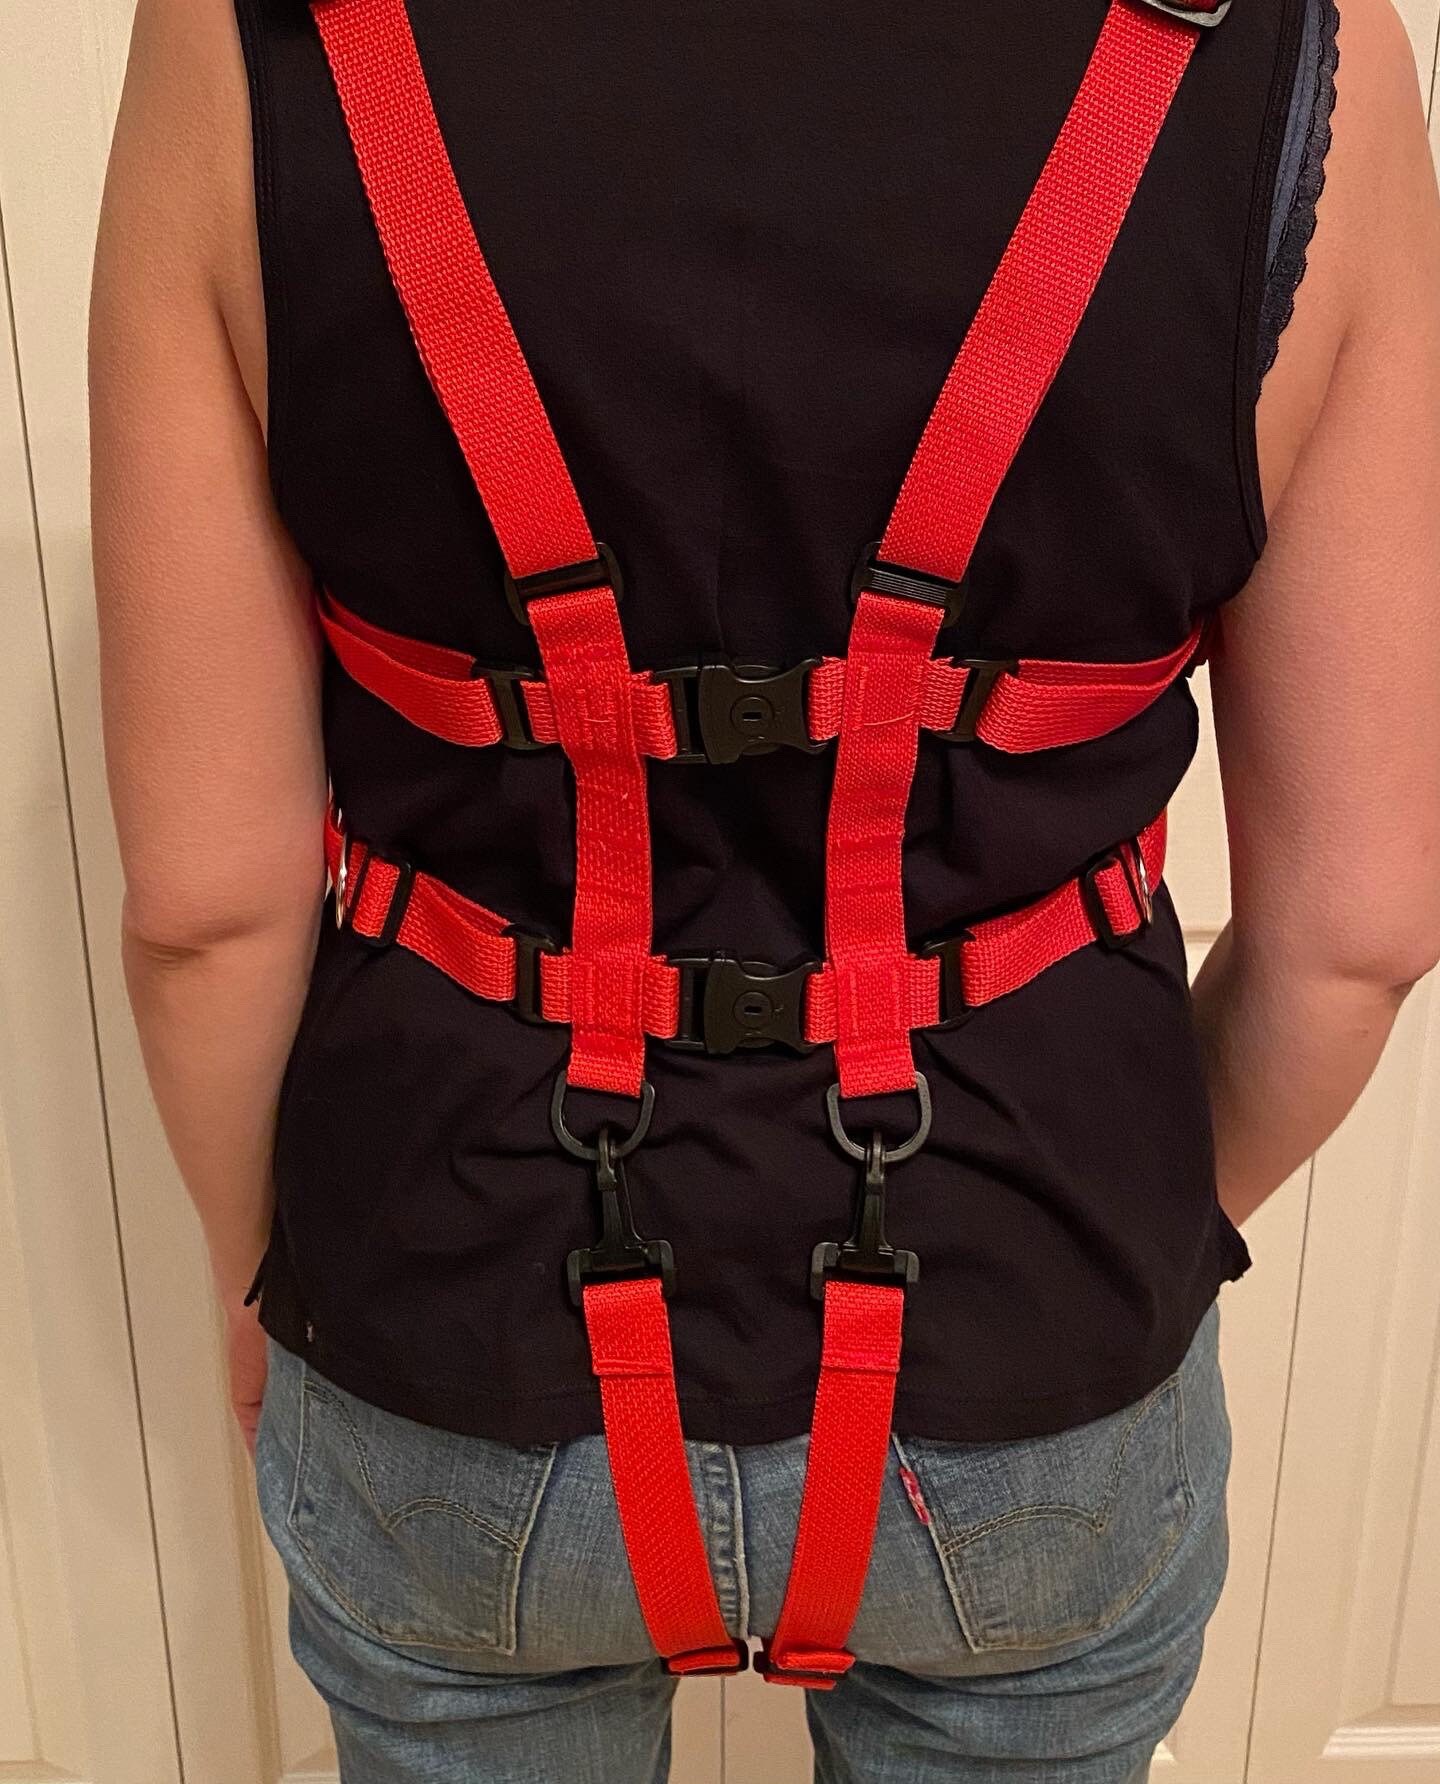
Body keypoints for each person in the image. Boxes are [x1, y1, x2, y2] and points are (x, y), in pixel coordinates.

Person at [90, 0, 1440, 1776]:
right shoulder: (1286, 46)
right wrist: (1118, 1246)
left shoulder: (248, 36)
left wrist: (259, 1273)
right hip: (1038, 1310)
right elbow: (1358, 930)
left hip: (448, 1306)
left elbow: (205, 909)